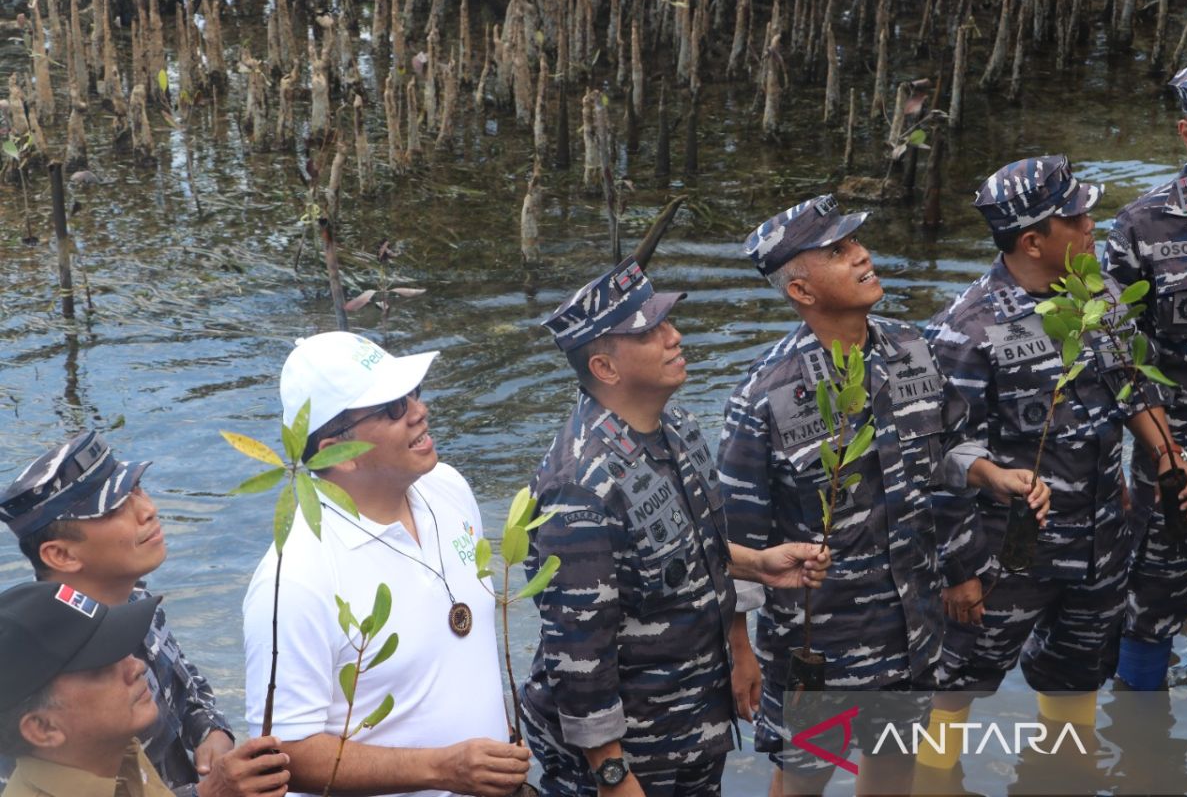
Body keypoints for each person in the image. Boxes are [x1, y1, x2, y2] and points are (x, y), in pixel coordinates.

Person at [920, 155, 1187, 770]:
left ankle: (1058, 778)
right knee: (953, 691)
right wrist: (958, 570)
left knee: (1075, 684)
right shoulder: (964, 332)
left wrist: (1170, 455)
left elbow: (1132, 387)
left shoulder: (1096, 298)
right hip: (1008, 559)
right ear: (1032, 240)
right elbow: (934, 459)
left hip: (1097, 544)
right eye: (1075, 217)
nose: (1091, 223)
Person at [519, 258, 831, 797]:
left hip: (690, 723)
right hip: (628, 752)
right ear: (606, 369)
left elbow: (687, 546)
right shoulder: (581, 487)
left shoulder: (676, 426)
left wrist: (755, 565)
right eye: (651, 331)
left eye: (667, 321)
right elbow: (579, 652)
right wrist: (613, 775)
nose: (674, 336)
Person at [717, 195, 993, 797]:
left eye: (855, 244)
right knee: (803, 780)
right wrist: (739, 650)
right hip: (819, 645)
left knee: (894, 773)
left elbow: (947, 455)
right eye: (838, 252)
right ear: (803, 292)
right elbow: (734, 537)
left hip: (910, 628)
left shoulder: (910, 347)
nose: (862, 255)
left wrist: (984, 498)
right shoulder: (765, 396)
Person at [242, 331, 531, 797]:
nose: (419, 410)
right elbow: (285, 754)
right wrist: (441, 769)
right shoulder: (295, 579)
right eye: (393, 407)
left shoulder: (448, 487)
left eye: (413, 394)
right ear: (337, 451)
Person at [0, 431, 284, 797]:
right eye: (116, 508)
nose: (148, 509)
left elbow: (189, 686)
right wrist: (211, 792)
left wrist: (211, 731)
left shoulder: (137, 606)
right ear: (62, 555)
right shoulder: (30, 670)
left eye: (138, 489)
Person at [0, 580, 288, 797]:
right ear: (42, 728)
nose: (137, 666)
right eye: (101, 668)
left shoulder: (118, 752)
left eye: (122, 651)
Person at [1105, 62, 1187, 690]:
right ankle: (1143, 758)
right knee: (1153, 596)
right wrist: (1169, 455)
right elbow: (1113, 354)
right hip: (1174, 444)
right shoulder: (1143, 227)